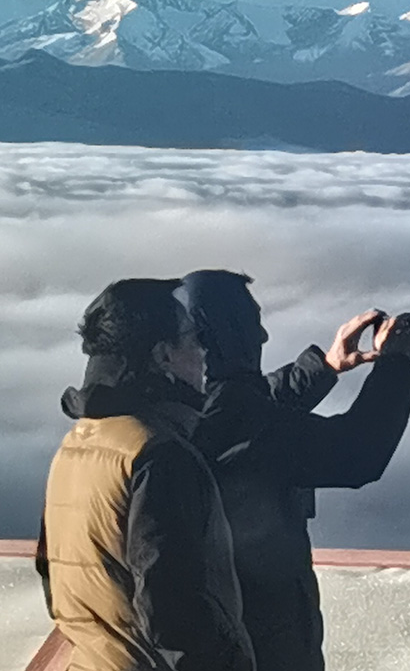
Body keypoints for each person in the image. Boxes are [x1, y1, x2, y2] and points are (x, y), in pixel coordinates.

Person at [178, 269, 410, 671]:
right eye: (250, 322)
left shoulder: (184, 404)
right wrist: (396, 365)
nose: (262, 337)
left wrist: (326, 366)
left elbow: (251, 403)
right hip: (262, 638)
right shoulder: (243, 424)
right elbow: (358, 453)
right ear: (223, 332)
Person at [36, 278, 255, 671]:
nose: (203, 351)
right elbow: (173, 609)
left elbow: (54, 580)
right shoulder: (157, 455)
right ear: (164, 355)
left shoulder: (76, 445)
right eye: (192, 337)